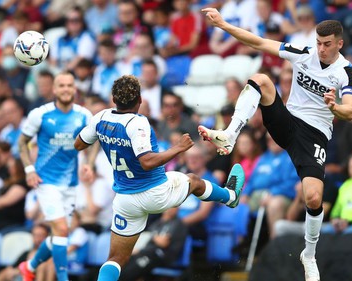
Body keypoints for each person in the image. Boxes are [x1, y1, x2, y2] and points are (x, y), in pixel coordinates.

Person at [199, 9, 352, 281]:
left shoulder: (346, 72)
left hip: (314, 136)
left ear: (339, 43)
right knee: (261, 79)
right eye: (318, 43)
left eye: (327, 44)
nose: (320, 49)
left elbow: (351, 111)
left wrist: (335, 106)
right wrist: (223, 24)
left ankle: (308, 255)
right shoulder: (304, 52)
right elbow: (259, 42)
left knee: (313, 198)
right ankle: (230, 134)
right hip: (288, 121)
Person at [73, 75, 245, 281]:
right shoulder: (137, 123)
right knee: (194, 180)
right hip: (154, 192)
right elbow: (146, 161)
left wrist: (106, 139)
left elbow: (79, 144)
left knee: (116, 259)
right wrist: (178, 148)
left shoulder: (100, 117)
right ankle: (230, 196)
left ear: (113, 99)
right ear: (140, 99)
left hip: (125, 200)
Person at [17, 72, 94, 281]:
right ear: (54, 89)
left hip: (70, 183)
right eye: (62, 86)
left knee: (60, 235)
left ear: (75, 89)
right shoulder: (40, 114)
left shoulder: (84, 115)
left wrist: (88, 163)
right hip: (45, 181)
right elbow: (22, 142)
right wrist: (29, 170)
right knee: (60, 229)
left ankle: (30, 267)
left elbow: (93, 140)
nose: (66, 89)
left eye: (70, 85)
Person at [120, 207, 188, 281]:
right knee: (128, 259)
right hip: (147, 252)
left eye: (174, 207)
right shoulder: (158, 222)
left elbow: (163, 243)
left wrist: (152, 237)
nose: (170, 209)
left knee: (135, 266)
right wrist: (154, 237)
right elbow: (147, 237)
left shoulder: (177, 224)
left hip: (162, 255)